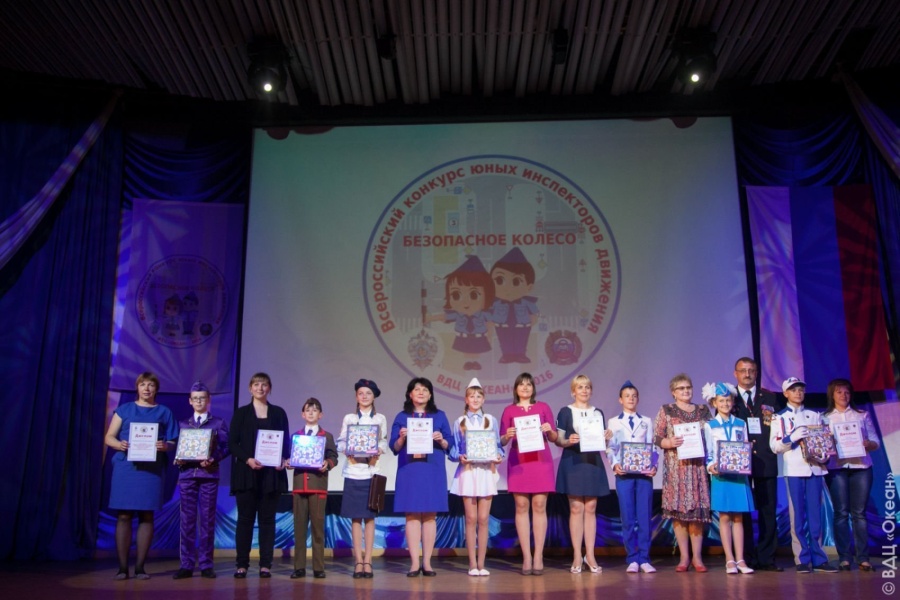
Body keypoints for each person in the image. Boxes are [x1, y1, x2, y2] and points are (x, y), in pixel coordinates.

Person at [104, 372, 179, 580]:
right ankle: (122, 568)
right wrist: (119, 444)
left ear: (156, 389)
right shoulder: (124, 409)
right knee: (124, 515)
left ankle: (140, 568)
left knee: (147, 515)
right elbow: (109, 437)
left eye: (151, 385)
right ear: (137, 388)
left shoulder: (164, 412)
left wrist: (165, 446)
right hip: (126, 468)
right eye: (143, 384)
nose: (146, 388)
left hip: (152, 469)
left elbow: (173, 442)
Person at [769, 377, 837, 573]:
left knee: (815, 515)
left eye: (800, 389)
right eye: (793, 390)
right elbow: (774, 446)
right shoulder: (779, 417)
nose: (798, 393)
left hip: (815, 468)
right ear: (785, 394)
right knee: (797, 516)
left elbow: (824, 440)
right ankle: (801, 558)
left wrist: (824, 455)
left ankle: (819, 558)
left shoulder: (814, 415)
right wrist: (791, 437)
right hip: (794, 470)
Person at [229, 372, 291, 578]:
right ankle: (242, 564)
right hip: (246, 474)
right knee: (245, 521)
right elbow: (232, 443)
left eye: (264, 385)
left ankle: (265, 565)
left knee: (267, 521)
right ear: (250, 388)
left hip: (271, 476)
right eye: (256, 384)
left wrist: (283, 459)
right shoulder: (241, 413)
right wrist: (247, 459)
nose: (260, 388)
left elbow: (286, 443)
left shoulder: (279, 413)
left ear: (269, 388)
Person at [391, 377, 454, 576]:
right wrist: (402, 437)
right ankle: (413, 563)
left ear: (430, 394)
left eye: (425, 389)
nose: (421, 392)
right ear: (410, 394)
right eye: (417, 389)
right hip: (409, 470)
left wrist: (441, 440)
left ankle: (427, 563)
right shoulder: (402, 416)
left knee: (429, 516)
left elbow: (450, 444)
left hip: (432, 469)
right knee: (411, 515)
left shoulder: (440, 416)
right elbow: (394, 447)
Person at [500, 372, 559, 575]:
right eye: (521, 384)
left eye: (528, 384)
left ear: (533, 388)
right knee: (521, 506)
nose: (525, 387)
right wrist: (507, 436)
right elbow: (501, 440)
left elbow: (554, 437)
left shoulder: (543, 407)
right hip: (519, 462)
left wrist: (549, 430)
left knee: (540, 505)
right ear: (516, 388)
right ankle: (526, 557)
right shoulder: (509, 410)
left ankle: (539, 555)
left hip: (540, 461)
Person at [653, 373, 712, 572]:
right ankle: (684, 557)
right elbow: (656, 437)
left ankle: (697, 557)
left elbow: (713, 435)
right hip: (676, 470)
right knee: (678, 515)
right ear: (673, 392)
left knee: (696, 515)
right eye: (681, 388)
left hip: (697, 469)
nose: (685, 391)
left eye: (688, 387)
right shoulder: (666, 410)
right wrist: (668, 442)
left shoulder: (703, 410)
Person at [730, 356, 784, 571]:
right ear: (735, 374)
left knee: (768, 511)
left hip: (765, 460)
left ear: (756, 373)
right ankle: (745, 557)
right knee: (741, 512)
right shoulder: (728, 397)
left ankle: (766, 558)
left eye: (751, 370)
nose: (747, 374)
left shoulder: (770, 397)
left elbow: (778, 428)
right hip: (739, 462)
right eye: (743, 370)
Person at [172, 381, 230, 580]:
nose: (199, 401)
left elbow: (226, 447)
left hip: (208, 475)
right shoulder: (183, 424)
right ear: (190, 401)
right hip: (187, 475)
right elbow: (179, 448)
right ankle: (186, 565)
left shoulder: (218, 423)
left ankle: (206, 564)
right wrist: (178, 458)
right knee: (187, 521)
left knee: (207, 520)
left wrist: (213, 458)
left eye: (202, 398)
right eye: (195, 398)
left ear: (208, 400)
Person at [822, 378, 880, 571]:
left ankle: (863, 558)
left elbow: (875, 442)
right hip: (836, 468)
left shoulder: (861, 415)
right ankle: (845, 558)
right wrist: (828, 444)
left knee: (859, 514)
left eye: (847, 392)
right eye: (839, 392)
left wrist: (868, 444)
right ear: (832, 395)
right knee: (841, 513)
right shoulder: (824, 418)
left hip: (861, 467)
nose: (843, 395)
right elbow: (821, 446)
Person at [555, 374, 610, 574]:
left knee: (591, 507)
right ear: (573, 391)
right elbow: (559, 440)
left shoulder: (598, 413)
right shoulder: (565, 412)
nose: (584, 390)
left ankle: (591, 555)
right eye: (580, 387)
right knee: (576, 508)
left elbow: (602, 442)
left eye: (587, 387)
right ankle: (577, 555)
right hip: (573, 462)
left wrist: (607, 437)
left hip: (592, 462)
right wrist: (568, 440)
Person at [449, 377, 504, 576]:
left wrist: (499, 456)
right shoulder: (460, 422)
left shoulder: (491, 420)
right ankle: (472, 564)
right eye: (471, 396)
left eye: (478, 396)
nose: (475, 399)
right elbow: (454, 449)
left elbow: (498, 446)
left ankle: (482, 564)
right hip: (469, 472)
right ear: (466, 399)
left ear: (483, 399)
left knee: (483, 518)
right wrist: (459, 457)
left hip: (486, 472)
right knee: (471, 518)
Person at [336, 378, 388, 579]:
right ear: (356, 396)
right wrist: (346, 449)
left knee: (370, 518)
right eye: (361, 393)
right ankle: (358, 561)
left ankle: (368, 561)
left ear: (374, 396)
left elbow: (383, 441)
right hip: (352, 471)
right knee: (355, 518)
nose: (364, 396)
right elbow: (341, 442)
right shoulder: (349, 418)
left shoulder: (380, 418)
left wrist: (379, 450)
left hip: (371, 472)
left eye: (368, 393)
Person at [702, 382, 755, 574]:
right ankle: (729, 559)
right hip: (721, 476)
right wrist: (711, 466)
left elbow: (745, 446)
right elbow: (708, 452)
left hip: (739, 476)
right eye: (721, 401)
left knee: (738, 517)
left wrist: (746, 456)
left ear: (732, 402)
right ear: (714, 403)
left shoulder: (741, 423)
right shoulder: (710, 426)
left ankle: (741, 559)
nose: (725, 404)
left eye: (728, 400)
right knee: (724, 517)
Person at [606, 380, 657, 574]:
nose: (631, 399)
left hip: (644, 475)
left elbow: (653, 446)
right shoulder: (613, 422)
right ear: (620, 400)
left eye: (634, 396)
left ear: (638, 399)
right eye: (627, 396)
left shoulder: (646, 421)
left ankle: (644, 558)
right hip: (624, 475)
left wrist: (653, 465)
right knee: (627, 517)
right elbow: (610, 448)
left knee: (644, 517)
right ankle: (632, 558)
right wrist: (614, 464)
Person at [286, 398, 338, 579]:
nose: (311, 413)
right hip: (300, 486)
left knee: (318, 529)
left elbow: (334, 456)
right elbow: (290, 457)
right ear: (302, 414)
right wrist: (288, 462)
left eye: (315, 410)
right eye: (308, 410)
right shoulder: (296, 436)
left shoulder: (326, 436)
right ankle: (299, 567)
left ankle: (318, 567)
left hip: (318, 486)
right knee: (299, 529)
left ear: (320, 415)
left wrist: (327, 463)